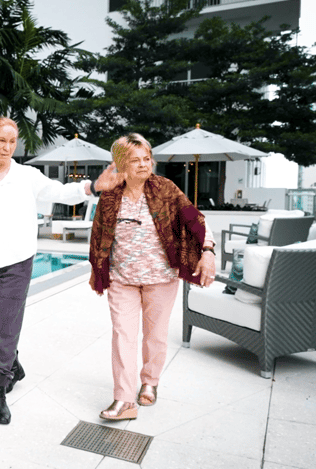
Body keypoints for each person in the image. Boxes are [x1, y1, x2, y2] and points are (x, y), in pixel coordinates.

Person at [0, 116, 111, 425]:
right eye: (1, 140)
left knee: (5, 328)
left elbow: (58, 192)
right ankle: (13, 364)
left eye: (12, 142)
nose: (7, 147)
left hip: (16, 262)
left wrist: (90, 187)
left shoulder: (27, 176)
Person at [89, 133, 216, 421]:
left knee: (155, 335)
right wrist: (98, 270)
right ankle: (123, 400)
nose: (144, 165)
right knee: (123, 335)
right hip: (122, 280)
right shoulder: (110, 195)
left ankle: (150, 381)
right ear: (121, 164)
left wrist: (208, 251)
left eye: (147, 158)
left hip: (161, 278)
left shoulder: (166, 190)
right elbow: (98, 235)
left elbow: (196, 220)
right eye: (135, 160)